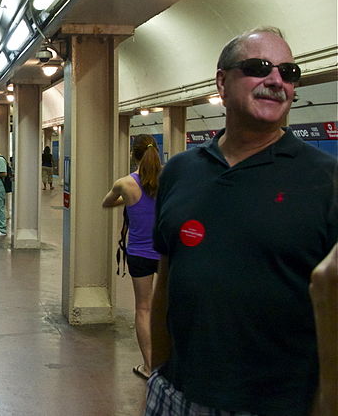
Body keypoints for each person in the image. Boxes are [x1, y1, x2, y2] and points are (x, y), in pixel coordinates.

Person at [146, 27, 337, 416]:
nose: (276, 81)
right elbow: (165, 286)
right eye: (259, 67)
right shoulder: (180, 172)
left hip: (279, 405)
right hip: (177, 394)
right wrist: (158, 375)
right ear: (222, 81)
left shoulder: (326, 180)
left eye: (288, 72)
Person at [102, 133, 162, 380]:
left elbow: (106, 203)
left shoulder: (124, 184)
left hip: (139, 253)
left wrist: (127, 203)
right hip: (166, 253)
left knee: (144, 309)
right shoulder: (168, 178)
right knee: (170, 307)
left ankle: (149, 367)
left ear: (133, 155)